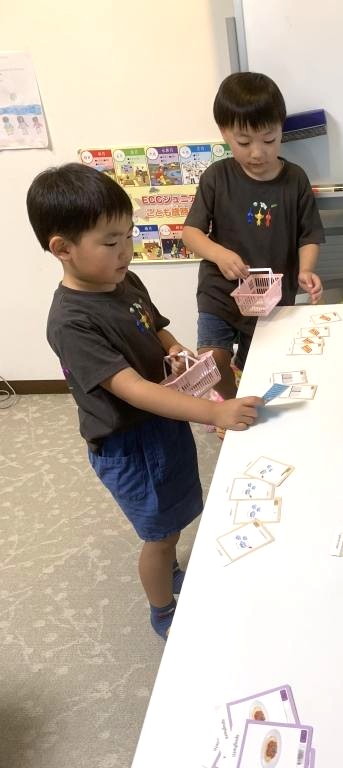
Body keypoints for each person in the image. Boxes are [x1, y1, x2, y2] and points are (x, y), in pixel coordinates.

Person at [27, 163, 263, 639]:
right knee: (158, 536)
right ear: (62, 248)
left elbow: (153, 326)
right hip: (128, 444)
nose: (126, 251)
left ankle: (172, 566)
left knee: (176, 513)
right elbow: (131, 389)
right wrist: (215, 410)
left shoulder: (123, 280)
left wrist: (175, 351)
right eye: (111, 242)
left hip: (160, 422)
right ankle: (163, 610)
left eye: (129, 236)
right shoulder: (71, 321)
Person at [182, 72, 325, 401]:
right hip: (221, 290)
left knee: (258, 364)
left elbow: (309, 234)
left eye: (269, 139)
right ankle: (228, 406)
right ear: (224, 133)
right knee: (212, 360)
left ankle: (244, 391)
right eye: (244, 142)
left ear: (281, 129)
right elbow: (191, 233)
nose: (257, 153)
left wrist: (306, 270)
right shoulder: (217, 177)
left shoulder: (295, 179)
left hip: (269, 296)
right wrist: (219, 254)